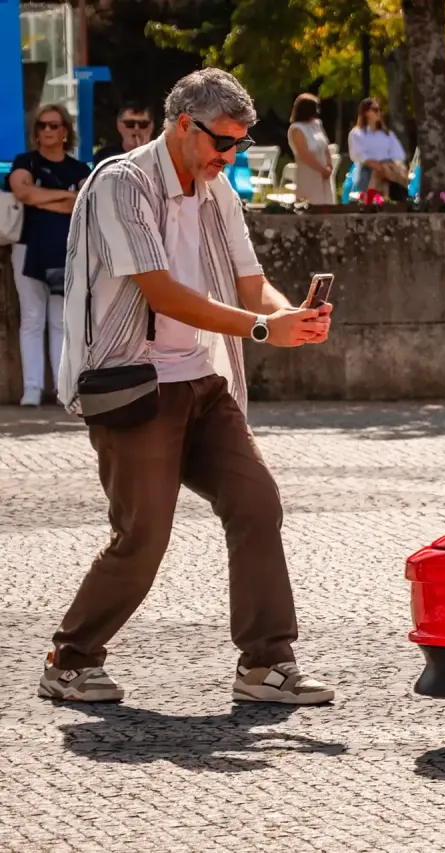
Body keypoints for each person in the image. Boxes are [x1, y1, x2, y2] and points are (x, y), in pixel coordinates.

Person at [42, 68, 336, 705]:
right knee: (143, 538)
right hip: (133, 385)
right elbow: (163, 292)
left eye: (239, 145)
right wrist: (265, 329)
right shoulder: (121, 183)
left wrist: (290, 315)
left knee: (256, 502)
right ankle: (70, 659)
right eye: (223, 142)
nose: (229, 157)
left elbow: (251, 282)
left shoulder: (216, 189)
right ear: (183, 125)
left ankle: (265, 663)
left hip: (202, 381)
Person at [6, 104, 91, 407]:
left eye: (54, 125)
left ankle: (59, 387)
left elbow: (81, 203)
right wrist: (65, 195)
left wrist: (41, 198)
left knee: (59, 320)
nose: (47, 131)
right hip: (27, 248)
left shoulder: (79, 169)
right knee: (31, 318)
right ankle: (31, 388)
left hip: (65, 251)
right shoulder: (25, 161)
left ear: (65, 130)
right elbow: (23, 193)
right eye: (42, 125)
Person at [348, 97, 409, 201]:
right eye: (375, 110)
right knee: (377, 173)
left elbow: (398, 154)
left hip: (389, 168)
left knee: (400, 171)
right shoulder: (357, 133)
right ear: (366, 112)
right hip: (368, 170)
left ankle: (380, 198)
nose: (379, 113)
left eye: (380, 110)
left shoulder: (387, 134)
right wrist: (381, 167)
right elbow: (360, 156)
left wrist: (395, 166)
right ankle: (372, 199)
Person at [286, 92, 335, 204]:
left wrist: (329, 166)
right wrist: (321, 170)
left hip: (324, 174)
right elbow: (304, 155)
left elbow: (325, 146)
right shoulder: (296, 129)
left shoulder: (317, 124)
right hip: (309, 173)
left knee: (328, 204)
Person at [93, 102, 155, 167]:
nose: (136, 128)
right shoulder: (104, 156)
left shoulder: (159, 154)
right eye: (130, 124)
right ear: (119, 126)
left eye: (143, 124)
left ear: (151, 127)